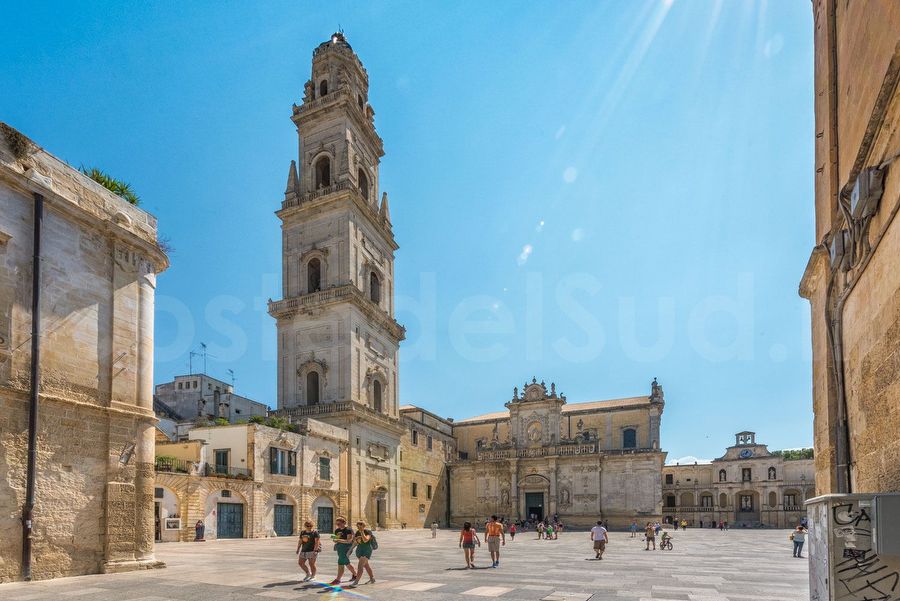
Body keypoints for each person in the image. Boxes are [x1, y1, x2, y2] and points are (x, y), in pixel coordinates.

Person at [329, 517, 358, 586]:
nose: (338, 525)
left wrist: (338, 540)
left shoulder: (348, 529)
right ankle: (355, 575)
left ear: (344, 523)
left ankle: (338, 579)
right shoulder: (336, 530)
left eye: (339, 524)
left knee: (341, 562)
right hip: (339, 548)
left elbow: (349, 541)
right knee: (346, 563)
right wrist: (335, 539)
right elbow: (334, 539)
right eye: (337, 524)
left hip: (346, 548)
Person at [348, 520, 376, 586]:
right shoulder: (357, 532)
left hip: (366, 550)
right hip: (359, 550)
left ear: (364, 526)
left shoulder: (368, 532)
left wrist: (362, 532)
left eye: (360, 526)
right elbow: (355, 542)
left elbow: (365, 540)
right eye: (358, 526)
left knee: (360, 566)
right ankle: (372, 578)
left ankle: (356, 582)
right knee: (366, 566)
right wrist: (350, 550)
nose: (358, 528)